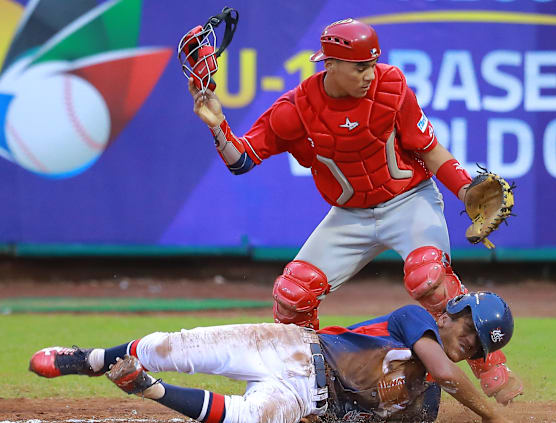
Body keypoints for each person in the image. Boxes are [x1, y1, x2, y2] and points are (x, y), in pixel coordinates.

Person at [188, 17, 522, 404]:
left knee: (428, 278)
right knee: (292, 296)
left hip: (408, 199)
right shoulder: (296, 109)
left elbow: (429, 148)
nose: (369, 74)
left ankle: (491, 364)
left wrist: (464, 187)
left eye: (371, 64)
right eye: (360, 66)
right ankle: (304, 381)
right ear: (329, 64)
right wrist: (218, 127)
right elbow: (241, 159)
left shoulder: (391, 87)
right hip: (350, 215)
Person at [29, 292, 515, 423]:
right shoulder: (415, 319)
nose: (469, 340)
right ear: (451, 313)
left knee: (248, 420)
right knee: (172, 346)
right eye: (469, 326)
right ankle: (90, 359)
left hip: (305, 397)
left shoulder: (425, 408)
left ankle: (148, 388)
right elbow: (443, 370)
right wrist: (492, 413)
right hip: (292, 347)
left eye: (480, 344)